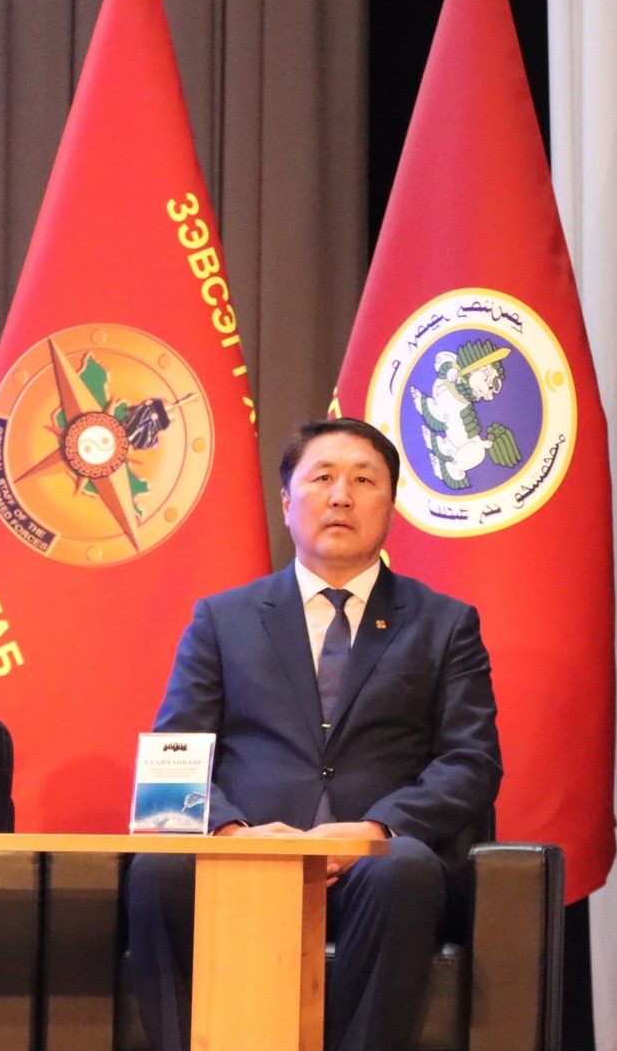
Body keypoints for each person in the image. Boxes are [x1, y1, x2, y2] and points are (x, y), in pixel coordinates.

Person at [125, 418, 502, 1051]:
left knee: (402, 871)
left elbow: (471, 762)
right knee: (159, 868)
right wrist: (231, 835)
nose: (341, 497)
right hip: (247, 852)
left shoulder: (444, 623)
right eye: (322, 478)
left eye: (364, 481)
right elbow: (175, 755)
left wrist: (374, 829)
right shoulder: (223, 618)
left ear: (391, 505)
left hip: (374, 862)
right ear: (286, 502)